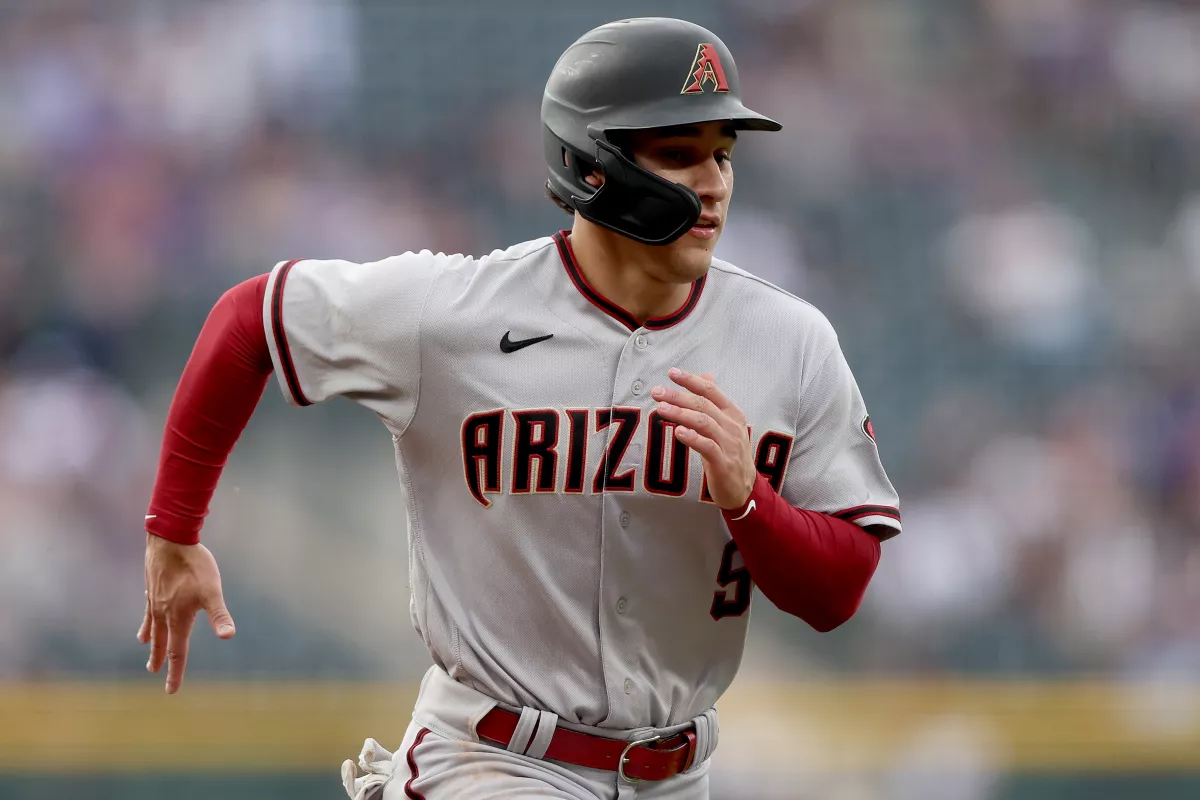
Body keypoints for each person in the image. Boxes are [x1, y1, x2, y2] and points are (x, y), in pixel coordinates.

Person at [138, 17, 900, 800]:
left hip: (676, 775)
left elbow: (838, 591)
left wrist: (750, 501)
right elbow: (249, 319)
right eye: (680, 154)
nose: (713, 182)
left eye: (723, 154)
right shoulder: (453, 315)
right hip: (492, 760)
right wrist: (172, 533)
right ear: (594, 166)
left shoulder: (790, 342)